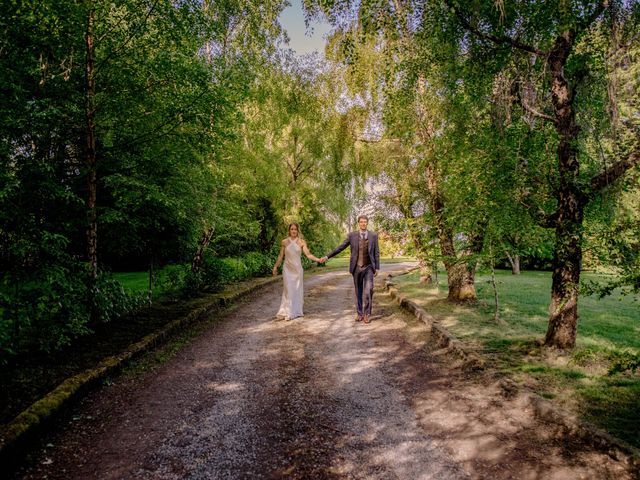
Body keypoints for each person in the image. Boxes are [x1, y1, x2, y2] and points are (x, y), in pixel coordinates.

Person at [321, 215, 380, 324]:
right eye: (361, 222)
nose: (363, 223)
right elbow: (340, 247)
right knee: (358, 291)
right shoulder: (352, 235)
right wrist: (327, 256)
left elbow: (376, 252)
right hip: (356, 267)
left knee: (369, 290)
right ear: (358, 223)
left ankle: (367, 314)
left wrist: (377, 267)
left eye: (365, 222)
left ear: (367, 223)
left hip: (369, 267)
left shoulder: (373, 236)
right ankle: (359, 313)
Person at [272, 223, 322, 320]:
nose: (293, 231)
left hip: (297, 270)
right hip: (287, 269)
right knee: (288, 290)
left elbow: (308, 254)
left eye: (295, 229)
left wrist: (318, 259)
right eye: (292, 229)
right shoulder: (284, 242)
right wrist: (275, 267)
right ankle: (287, 311)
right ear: (289, 230)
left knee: (296, 290)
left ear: (298, 230)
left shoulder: (301, 242)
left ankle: (295, 311)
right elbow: (280, 256)